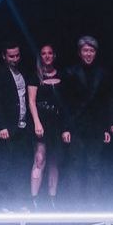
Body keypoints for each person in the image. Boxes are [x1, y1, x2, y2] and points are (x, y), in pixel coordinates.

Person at [62, 35, 113, 208]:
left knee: (94, 166)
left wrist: (107, 128)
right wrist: (66, 128)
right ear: (79, 52)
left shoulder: (103, 73)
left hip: (96, 127)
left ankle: (94, 207)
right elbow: (65, 103)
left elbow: (106, 102)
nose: (88, 54)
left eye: (91, 51)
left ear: (96, 53)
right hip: (76, 127)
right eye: (85, 50)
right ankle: (75, 208)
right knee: (75, 166)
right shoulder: (70, 72)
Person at [0, 42, 34, 211]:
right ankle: (3, 204)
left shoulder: (24, 72)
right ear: (4, 56)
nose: (15, 59)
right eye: (11, 56)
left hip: (23, 126)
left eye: (17, 55)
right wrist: (1, 126)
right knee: (4, 165)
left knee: (20, 165)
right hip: (7, 127)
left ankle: (19, 202)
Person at [28, 44, 71, 210]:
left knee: (54, 161)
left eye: (50, 53)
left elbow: (66, 103)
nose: (47, 56)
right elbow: (31, 101)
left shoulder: (62, 75)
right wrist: (37, 122)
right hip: (41, 121)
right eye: (43, 53)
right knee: (39, 158)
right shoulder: (35, 76)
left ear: (54, 55)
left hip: (57, 122)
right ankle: (34, 199)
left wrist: (66, 127)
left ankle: (52, 199)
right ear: (40, 56)